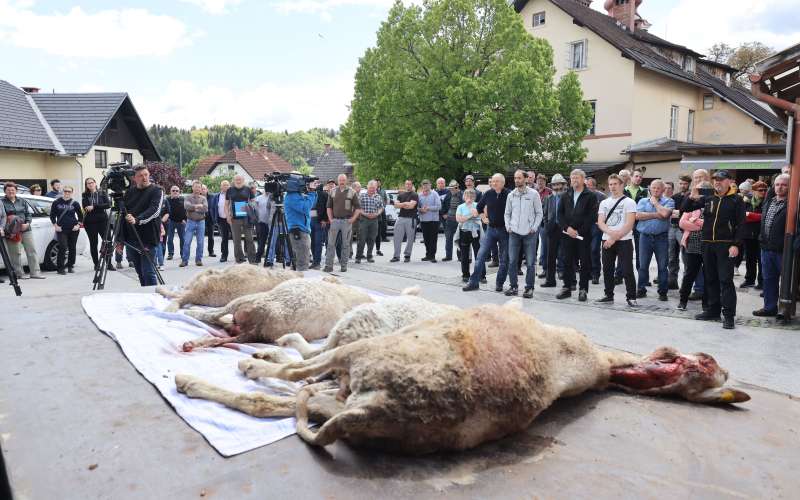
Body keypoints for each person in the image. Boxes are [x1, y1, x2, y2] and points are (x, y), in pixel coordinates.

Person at [684, 170, 745, 330]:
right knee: (710, 278)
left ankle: (729, 316)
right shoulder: (708, 198)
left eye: (721, 179)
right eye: (715, 180)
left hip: (725, 244)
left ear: (729, 182)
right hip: (707, 243)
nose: (717, 182)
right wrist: (693, 195)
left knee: (725, 280)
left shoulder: (736, 200)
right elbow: (685, 208)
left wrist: (736, 245)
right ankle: (713, 310)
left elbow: (741, 225)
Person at [463, 173, 510, 293]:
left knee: (504, 260)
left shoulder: (509, 194)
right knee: (480, 256)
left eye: (497, 181)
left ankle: (499, 283)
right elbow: (479, 208)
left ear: (503, 183)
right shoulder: (488, 193)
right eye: (493, 181)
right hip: (491, 230)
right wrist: (484, 218)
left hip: (505, 231)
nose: (494, 183)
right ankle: (474, 283)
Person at [596, 174, 638, 307]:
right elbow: (601, 222)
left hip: (624, 240)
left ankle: (631, 297)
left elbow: (629, 224)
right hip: (606, 240)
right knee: (607, 269)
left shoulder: (629, 202)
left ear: (621, 185)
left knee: (627, 270)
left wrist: (613, 238)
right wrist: (609, 234)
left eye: (615, 184)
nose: (612, 187)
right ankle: (608, 295)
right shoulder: (604, 202)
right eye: (610, 184)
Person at [557, 169, 598, 302]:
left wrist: (578, 231)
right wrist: (567, 228)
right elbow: (560, 215)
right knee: (567, 261)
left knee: (585, 263)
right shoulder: (565, 194)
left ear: (583, 179)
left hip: (583, 236)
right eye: (572, 178)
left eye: (577, 178)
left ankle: (583, 289)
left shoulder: (590, 196)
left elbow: (591, 217)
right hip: (567, 234)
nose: (574, 180)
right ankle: (567, 287)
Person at [753, 174, 789, 318]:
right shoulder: (769, 201)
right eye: (777, 184)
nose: (780, 187)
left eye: (784, 184)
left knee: (787, 282)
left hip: (783, 250)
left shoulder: (792, 204)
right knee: (768, 280)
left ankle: (785, 309)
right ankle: (769, 308)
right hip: (766, 248)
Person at [122, 166, 164, 286]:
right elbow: (123, 213)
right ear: (134, 178)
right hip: (132, 238)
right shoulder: (130, 192)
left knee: (148, 271)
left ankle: (153, 297)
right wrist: (121, 239)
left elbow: (155, 210)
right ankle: (144, 294)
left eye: (146, 174)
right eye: (140, 175)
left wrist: (138, 220)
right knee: (139, 271)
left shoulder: (157, 190)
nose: (144, 177)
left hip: (148, 238)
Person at [504, 170, 543, 298]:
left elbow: (539, 213)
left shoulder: (534, 194)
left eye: (519, 178)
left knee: (531, 262)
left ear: (526, 179)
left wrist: (534, 227)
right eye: (515, 178)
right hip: (514, 233)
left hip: (530, 233)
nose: (517, 180)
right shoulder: (511, 195)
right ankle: (513, 286)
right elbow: (507, 213)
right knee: (512, 261)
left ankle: (529, 288)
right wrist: (508, 226)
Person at [634, 179, 674, 301]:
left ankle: (662, 292)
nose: (655, 190)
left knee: (662, 266)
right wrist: (657, 214)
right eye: (653, 187)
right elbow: (637, 215)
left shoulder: (669, 201)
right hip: (644, 237)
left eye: (658, 188)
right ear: (650, 189)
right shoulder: (642, 201)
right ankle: (641, 289)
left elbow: (666, 215)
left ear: (663, 190)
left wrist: (655, 203)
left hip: (661, 237)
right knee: (643, 265)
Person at [677, 181, 711, 312]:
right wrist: (703, 224)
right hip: (693, 244)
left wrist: (695, 221)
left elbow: (713, 224)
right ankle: (682, 300)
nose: (702, 193)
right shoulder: (693, 204)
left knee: (709, 275)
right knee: (689, 274)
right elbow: (682, 223)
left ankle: (706, 304)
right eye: (700, 190)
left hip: (709, 245)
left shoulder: (712, 203)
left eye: (705, 190)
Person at [2, 182, 44, 279]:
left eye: (13, 190)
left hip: (26, 229)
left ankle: (35, 273)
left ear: (16, 191)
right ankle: (19, 273)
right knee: (15, 253)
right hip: (12, 231)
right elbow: (2, 216)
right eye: (8, 190)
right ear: (5, 191)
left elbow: (28, 214)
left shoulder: (22, 201)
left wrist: (27, 223)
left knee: (31, 250)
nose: (11, 192)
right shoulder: (2, 202)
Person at [324, 174, 361, 272]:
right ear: (338, 180)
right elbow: (328, 207)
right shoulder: (332, 191)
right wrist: (331, 219)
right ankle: (328, 266)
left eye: (343, 180)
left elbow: (358, 208)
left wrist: (353, 219)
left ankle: (344, 266)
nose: (342, 182)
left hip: (346, 221)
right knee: (331, 244)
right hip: (335, 221)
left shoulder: (352, 192)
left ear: (346, 181)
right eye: (340, 180)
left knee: (346, 245)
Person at [284, 177, 319, 271]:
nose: (304, 185)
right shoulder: (293, 196)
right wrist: (311, 191)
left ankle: (295, 281)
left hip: (300, 230)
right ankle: (300, 282)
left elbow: (311, 204)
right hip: (299, 231)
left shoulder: (296, 195)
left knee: (298, 262)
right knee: (302, 263)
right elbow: (306, 208)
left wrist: (313, 192)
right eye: (304, 183)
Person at [541, 174, 567, 287]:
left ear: (563, 185)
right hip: (552, 230)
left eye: (559, 184)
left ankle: (567, 279)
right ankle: (550, 280)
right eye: (555, 184)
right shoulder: (548, 198)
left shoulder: (568, 197)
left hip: (565, 229)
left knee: (566, 254)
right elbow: (545, 214)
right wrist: (546, 226)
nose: (557, 187)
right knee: (550, 256)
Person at [50, 186, 83, 274]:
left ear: (72, 193)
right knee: (63, 247)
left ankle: (70, 266)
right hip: (61, 229)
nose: (67, 193)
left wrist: (78, 225)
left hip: (73, 228)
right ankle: (60, 268)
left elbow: (81, 216)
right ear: (63, 192)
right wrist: (55, 225)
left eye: (69, 191)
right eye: (65, 191)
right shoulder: (56, 202)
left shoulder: (75, 203)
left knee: (72, 247)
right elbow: (52, 216)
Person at [740, 181, 766, 289]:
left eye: (765, 190)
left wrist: (751, 215)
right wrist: (754, 217)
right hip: (748, 234)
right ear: (754, 191)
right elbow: (742, 216)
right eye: (760, 190)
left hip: (761, 235)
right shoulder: (747, 202)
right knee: (750, 259)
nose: (763, 192)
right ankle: (749, 279)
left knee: (761, 261)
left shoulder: (766, 202)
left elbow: (764, 216)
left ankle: (761, 282)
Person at [81, 177, 111, 271]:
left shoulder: (102, 193)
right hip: (90, 222)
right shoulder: (85, 195)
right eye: (88, 183)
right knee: (93, 243)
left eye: (91, 182)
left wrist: (94, 206)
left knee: (107, 242)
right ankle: (96, 264)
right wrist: (96, 207)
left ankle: (109, 263)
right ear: (86, 185)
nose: (90, 184)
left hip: (103, 221)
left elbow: (108, 204)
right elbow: (85, 207)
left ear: (95, 183)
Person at [226, 175, 256, 264]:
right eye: (236, 179)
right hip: (234, 218)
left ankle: (252, 259)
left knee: (250, 239)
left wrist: (248, 206)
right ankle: (239, 259)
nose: (238, 181)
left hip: (246, 218)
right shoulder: (229, 190)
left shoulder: (248, 189)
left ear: (243, 180)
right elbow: (226, 204)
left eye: (240, 179)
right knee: (236, 240)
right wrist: (227, 215)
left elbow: (254, 201)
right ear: (234, 180)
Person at [668, 175, 691, 290]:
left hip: (684, 229)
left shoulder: (692, 197)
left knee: (686, 257)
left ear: (689, 184)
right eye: (681, 183)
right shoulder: (674, 197)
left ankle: (685, 284)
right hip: (673, 227)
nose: (683, 186)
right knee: (672, 256)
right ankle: (672, 281)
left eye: (685, 184)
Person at [455, 189, 482, 283]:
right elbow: (459, 219)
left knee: (479, 254)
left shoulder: (477, 205)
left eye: (471, 196)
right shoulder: (460, 207)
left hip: (475, 232)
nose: (469, 198)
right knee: (464, 255)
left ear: (474, 197)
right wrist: (471, 216)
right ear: (464, 197)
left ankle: (482, 276)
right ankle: (465, 275)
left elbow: (479, 216)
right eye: (467, 196)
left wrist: (466, 217)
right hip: (464, 232)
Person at [355, 180, 384, 264]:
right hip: (364, 219)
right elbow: (358, 208)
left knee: (372, 238)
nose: (372, 189)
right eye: (370, 187)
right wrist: (366, 214)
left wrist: (377, 213)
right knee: (362, 239)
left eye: (374, 188)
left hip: (374, 220)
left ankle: (369, 256)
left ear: (376, 188)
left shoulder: (378, 196)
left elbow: (381, 207)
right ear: (367, 187)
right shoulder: (362, 196)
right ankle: (358, 257)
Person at [391, 179, 419, 263]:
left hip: (411, 218)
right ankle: (396, 256)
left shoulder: (415, 194)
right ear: (405, 185)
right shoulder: (401, 194)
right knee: (397, 237)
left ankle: (407, 255)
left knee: (410, 238)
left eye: (409, 184)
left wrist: (401, 205)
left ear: (412, 185)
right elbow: (396, 206)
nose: (408, 186)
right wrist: (405, 204)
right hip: (401, 218)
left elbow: (411, 206)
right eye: (406, 184)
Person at [182, 181, 208, 267]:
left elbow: (205, 209)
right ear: (192, 188)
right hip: (190, 222)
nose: (197, 189)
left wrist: (193, 208)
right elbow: (186, 206)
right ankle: (184, 261)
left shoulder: (203, 198)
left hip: (201, 222)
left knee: (200, 242)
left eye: (199, 187)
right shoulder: (188, 197)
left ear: (201, 189)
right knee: (187, 242)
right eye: (195, 187)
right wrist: (198, 206)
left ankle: (198, 260)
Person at [586, 177, 607, 285]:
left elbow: (607, 212)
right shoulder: (582, 195)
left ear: (594, 186)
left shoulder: (602, 197)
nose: (588, 187)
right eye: (586, 185)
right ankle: (588, 272)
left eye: (589, 185)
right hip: (584, 227)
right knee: (586, 250)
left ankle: (596, 273)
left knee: (594, 249)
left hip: (596, 226)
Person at [417, 179, 442, 262]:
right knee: (426, 239)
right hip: (423, 220)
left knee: (433, 239)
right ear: (422, 186)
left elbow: (439, 206)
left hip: (434, 220)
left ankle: (432, 256)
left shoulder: (435, 194)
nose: (425, 186)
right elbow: (417, 207)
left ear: (430, 185)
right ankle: (428, 255)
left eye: (427, 184)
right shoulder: (419, 195)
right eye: (424, 185)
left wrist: (428, 208)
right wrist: (420, 209)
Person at [310, 180, 331, 269]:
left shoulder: (324, 194)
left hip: (319, 221)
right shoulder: (308, 194)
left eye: (317, 183)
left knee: (318, 242)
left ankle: (317, 262)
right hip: (310, 220)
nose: (315, 185)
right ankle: (315, 261)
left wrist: (325, 220)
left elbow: (328, 207)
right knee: (312, 242)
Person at [439, 180, 462, 262]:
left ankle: (460, 256)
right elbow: (443, 204)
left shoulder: (462, 195)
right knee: (448, 238)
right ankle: (448, 256)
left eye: (453, 189)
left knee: (459, 239)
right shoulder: (449, 194)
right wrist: (444, 214)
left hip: (459, 220)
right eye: (450, 189)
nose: (451, 190)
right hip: (449, 220)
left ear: (457, 187)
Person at [211, 181, 231, 262]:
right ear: (221, 187)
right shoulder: (217, 196)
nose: (225, 186)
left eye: (227, 185)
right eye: (224, 185)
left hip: (232, 219)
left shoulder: (232, 195)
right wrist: (215, 219)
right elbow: (212, 208)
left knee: (237, 238)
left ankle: (239, 255)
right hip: (221, 220)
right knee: (224, 238)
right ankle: (224, 255)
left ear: (229, 186)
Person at [165, 186, 187, 261]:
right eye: (173, 190)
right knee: (170, 239)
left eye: (177, 191)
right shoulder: (167, 199)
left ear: (179, 192)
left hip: (181, 222)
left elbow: (186, 210)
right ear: (170, 192)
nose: (175, 192)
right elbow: (164, 210)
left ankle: (182, 253)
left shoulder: (183, 199)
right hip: (171, 221)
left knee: (183, 239)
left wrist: (185, 219)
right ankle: (170, 254)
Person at [254, 189, 273, 263]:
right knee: (262, 241)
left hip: (272, 222)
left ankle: (275, 256)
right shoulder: (259, 198)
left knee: (273, 241)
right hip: (262, 222)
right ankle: (258, 257)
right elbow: (255, 209)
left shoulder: (274, 197)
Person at [202, 185, 217, 258]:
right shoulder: (198, 198)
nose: (203, 190)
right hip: (201, 218)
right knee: (201, 236)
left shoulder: (212, 197)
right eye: (202, 189)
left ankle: (211, 251)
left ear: (207, 190)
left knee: (211, 237)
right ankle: (200, 252)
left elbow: (215, 206)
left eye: (204, 189)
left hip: (210, 219)